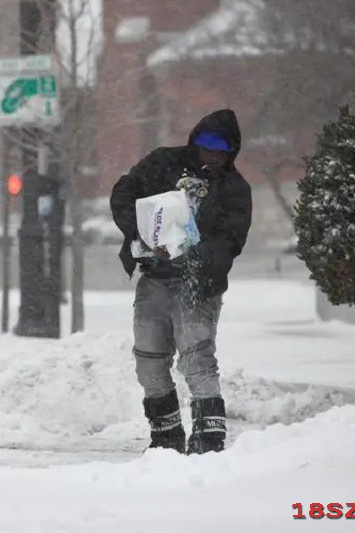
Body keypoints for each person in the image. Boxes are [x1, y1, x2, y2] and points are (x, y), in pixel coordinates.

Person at [110, 109, 252, 455]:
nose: (211, 153)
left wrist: (192, 255)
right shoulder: (163, 162)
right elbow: (124, 191)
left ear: (232, 150)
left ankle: (208, 439)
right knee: (149, 358)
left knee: (197, 358)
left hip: (198, 284)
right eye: (205, 143)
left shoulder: (234, 189)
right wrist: (140, 232)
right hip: (154, 278)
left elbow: (231, 242)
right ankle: (166, 435)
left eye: (221, 147)